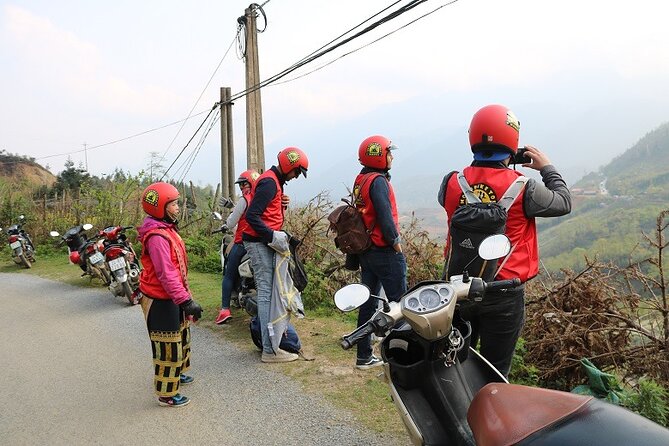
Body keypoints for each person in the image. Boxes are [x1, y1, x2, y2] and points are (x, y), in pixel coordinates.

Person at [437, 104, 571, 377]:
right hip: (503, 293)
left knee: (455, 362)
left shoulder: (451, 182)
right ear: (513, 140)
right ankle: (486, 416)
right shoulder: (525, 187)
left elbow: (449, 202)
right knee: (495, 372)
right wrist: (547, 168)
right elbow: (564, 202)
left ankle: (454, 415)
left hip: (459, 288)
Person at [137, 181, 203, 407]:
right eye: (173, 204)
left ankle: (177, 374)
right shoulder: (157, 237)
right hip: (160, 299)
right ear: (160, 208)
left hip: (172, 296)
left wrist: (186, 297)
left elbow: (179, 269)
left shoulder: (167, 229)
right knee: (168, 347)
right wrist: (185, 300)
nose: (177, 207)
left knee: (182, 338)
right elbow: (166, 274)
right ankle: (166, 393)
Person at [242, 147, 309, 363]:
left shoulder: (275, 183)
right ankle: (270, 350)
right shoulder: (270, 182)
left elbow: (266, 212)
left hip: (264, 243)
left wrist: (281, 208)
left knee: (271, 294)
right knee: (265, 294)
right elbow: (252, 216)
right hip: (259, 243)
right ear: (289, 167)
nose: (297, 176)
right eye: (297, 172)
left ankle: (272, 344)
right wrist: (272, 236)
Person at [351, 135, 407, 370]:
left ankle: (364, 355)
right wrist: (396, 244)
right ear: (379, 156)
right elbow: (385, 218)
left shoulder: (361, 179)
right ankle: (401, 359)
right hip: (384, 251)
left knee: (368, 303)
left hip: (366, 251)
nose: (392, 156)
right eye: (388, 152)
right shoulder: (379, 182)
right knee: (401, 306)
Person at [215, 169, 260, 324]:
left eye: (244, 184)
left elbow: (232, 222)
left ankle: (225, 309)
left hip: (243, 242)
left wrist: (225, 224)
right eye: (240, 185)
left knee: (228, 273)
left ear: (251, 183)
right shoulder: (264, 198)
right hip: (262, 242)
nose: (242, 188)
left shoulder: (245, 200)